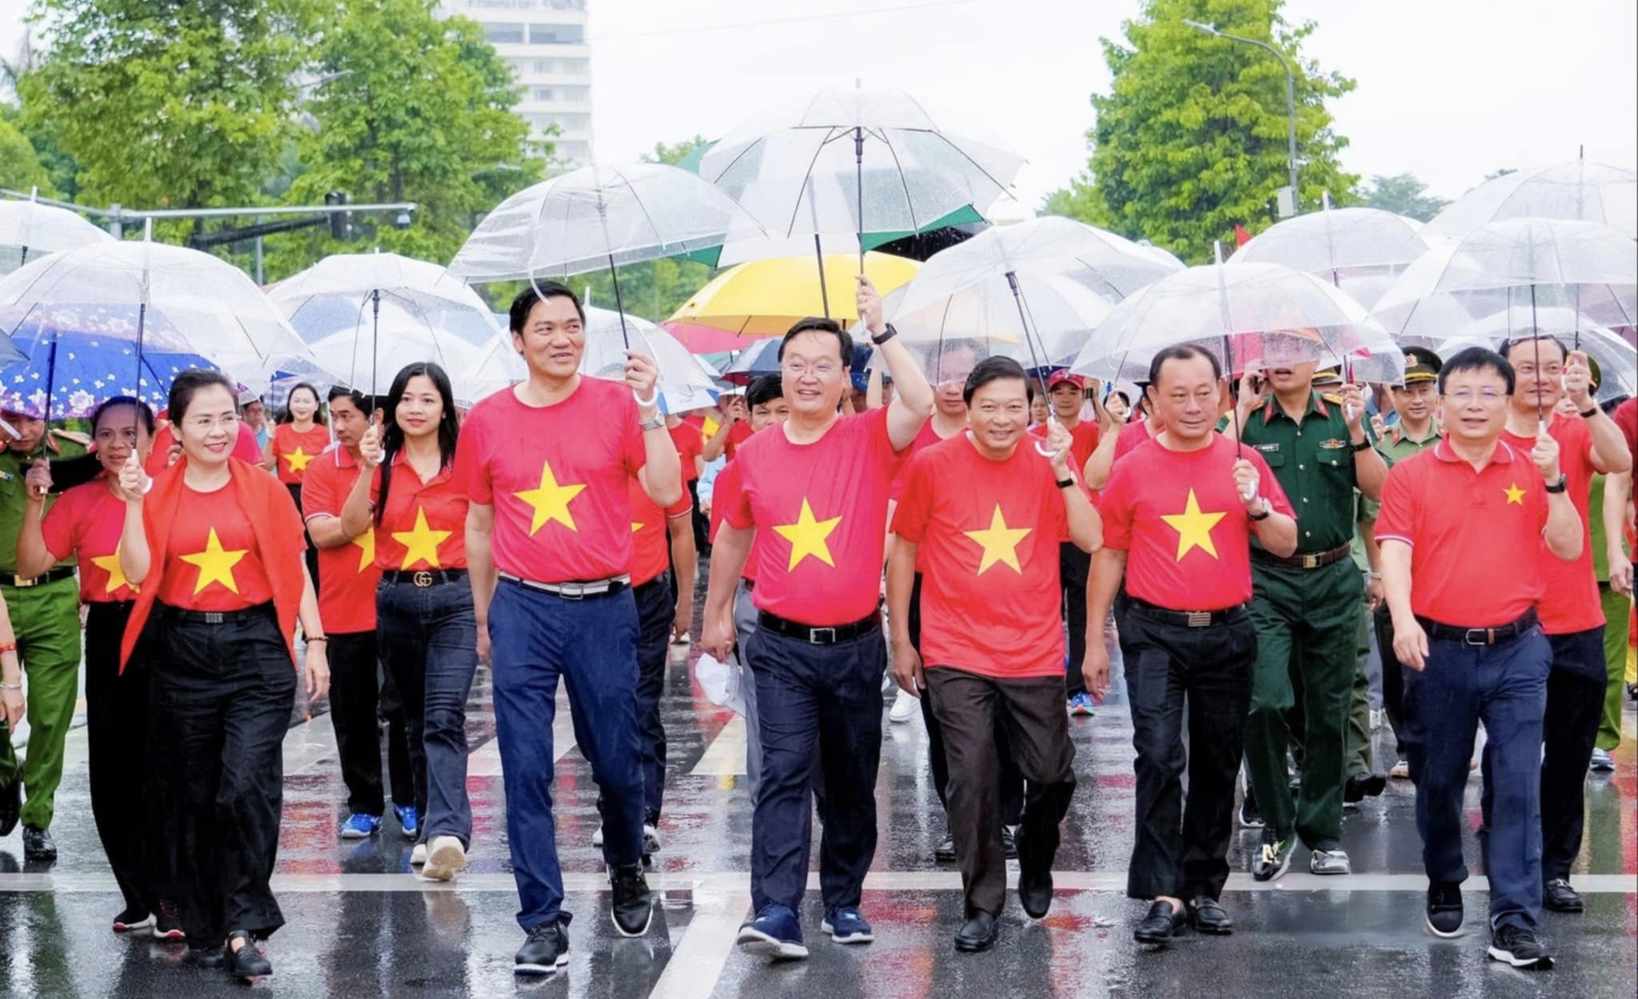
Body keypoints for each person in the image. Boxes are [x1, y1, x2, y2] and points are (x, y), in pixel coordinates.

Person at [699, 277, 933, 961]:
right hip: (779, 647)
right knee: (782, 772)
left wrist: (880, 329)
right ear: (781, 372)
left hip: (855, 646)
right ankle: (775, 910)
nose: (806, 376)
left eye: (822, 365)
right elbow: (733, 537)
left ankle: (843, 900)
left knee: (851, 781)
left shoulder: (869, 438)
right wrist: (716, 613)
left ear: (844, 377)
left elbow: (920, 401)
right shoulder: (752, 454)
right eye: (795, 364)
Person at [457, 282, 681, 976]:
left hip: (605, 606)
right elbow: (479, 525)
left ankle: (625, 863)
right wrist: (484, 614)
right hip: (523, 606)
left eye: (572, 325)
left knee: (616, 759)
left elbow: (668, 491)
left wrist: (651, 409)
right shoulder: (487, 419)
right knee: (524, 768)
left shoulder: (618, 404)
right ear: (518, 341)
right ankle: (541, 919)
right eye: (545, 328)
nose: (562, 338)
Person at [116, 369, 330, 980]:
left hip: (255, 648)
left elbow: (294, 564)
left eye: (227, 417)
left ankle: (244, 926)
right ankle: (207, 923)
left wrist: (315, 642)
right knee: (195, 793)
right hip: (181, 651)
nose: (218, 430)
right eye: (203, 420)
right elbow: (135, 573)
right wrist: (133, 503)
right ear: (177, 428)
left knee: (245, 785)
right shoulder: (155, 491)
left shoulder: (263, 488)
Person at [1084, 344, 1296, 945]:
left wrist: (1256, 505)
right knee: (1156, 754)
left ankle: (1202, 886)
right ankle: (1163, 892)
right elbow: (1110, 553)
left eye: (1205, 393)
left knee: (1216, 760)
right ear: (1153, 398)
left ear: (1223, 394)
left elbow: (1286, 542)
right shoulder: (1133, 468)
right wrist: (1095, 639)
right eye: (1178, 395)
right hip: (1153, 631)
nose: (1194, 406)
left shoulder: (1244, 460)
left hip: (1227, 631)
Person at [887, 356, 1098, 952]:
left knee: (1052, 774)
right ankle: (981, 902)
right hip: (955, 649)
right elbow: (903, 550)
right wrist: (901, 639)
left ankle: (1036, 849)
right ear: (969, 408)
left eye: (1013, 407)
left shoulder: (1049, 460)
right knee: (972, 777)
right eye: (989, 407)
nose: (1001, 419)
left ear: (1030, 409)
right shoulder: (933, 464)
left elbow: (1091, 536)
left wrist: (1063, 472)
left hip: (1033, 650)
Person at [1377, 346, 1578, 970]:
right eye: (1461, 393)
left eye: (1489, 394)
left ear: (1507, 402)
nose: (1474, 405)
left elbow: (1569, 546)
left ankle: (1514, 919)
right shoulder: (1411, 475)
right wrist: (1403, 619)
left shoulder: (1533, 465)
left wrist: (1555, 481)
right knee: (1438, 780)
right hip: (1437, 649)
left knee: (1517, 783)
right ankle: (1444, 872)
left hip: (1518, 649)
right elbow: (1394, 549)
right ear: (1441, 403)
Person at [16, 396, 177, 934]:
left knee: (166, 762)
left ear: (152, 439)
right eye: (105, 434)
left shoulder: (172, 493)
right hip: (108, 632)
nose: (117, 444)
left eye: (130, 433)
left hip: (166, 629)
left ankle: (172, 894)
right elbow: (31, 562)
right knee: (112, 768)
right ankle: (136, 894)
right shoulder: (80, 499)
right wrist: (35, 502)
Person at [1231, 345, 1387, 881]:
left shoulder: (1342, 416)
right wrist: (1239, 413)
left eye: (1295, 348)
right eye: (1272, 347)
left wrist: (1358, 429)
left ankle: (1322, 833)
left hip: (1333, 575)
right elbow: (1211, 468)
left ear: (1315, 358)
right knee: (1265, 700)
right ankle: (1276, 825)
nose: (1281, 359)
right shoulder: (1249, 419)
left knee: (1328, 710)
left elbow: (1380, 487)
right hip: (1265, 579)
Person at [1491, 336, 1630, 915]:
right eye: (1527, 367)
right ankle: (1506, 862)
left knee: (1570, 756)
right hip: (1507, 622)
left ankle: (1555, 869)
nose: (1542, 377)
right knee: (1509, 756)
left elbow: (1620, 461)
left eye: (1552, 367)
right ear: (1505, 374)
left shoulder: (1574, 429)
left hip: (1576, 620)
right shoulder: (1483, 437)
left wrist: (1589, 405)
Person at [886, 343, 1026, 867]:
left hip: (1005, 596)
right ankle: (960, 817)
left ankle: (1006, 815)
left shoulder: (1013, 439)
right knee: (946, 715)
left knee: (1006, 716)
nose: (951, 383)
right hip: (934, 595)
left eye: (963, 374)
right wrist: (898, 631)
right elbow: (899, 536)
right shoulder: (912, 442)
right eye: (942, 373)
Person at [340, 364, 475, 881]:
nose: (416, 409)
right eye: (407, 399)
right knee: (413, 721)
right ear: (392, 407)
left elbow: (487, 528)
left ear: (444, 408)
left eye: (427, 399)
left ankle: (448, 831)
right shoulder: (383, 464)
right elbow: (352, 525)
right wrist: (365, 468)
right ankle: (427, 832)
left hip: (456, 599)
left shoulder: (465, 463)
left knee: (444, 715)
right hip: (396, 600)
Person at [303, 386, 417, 841]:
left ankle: (409, 799)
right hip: (343, 610)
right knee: (352, 713)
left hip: (399, 606)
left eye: (348, 415)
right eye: (333, 415)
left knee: (404, 707)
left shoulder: (404, 463)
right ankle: (364, 803)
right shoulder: (322, 467)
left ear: (377, 417)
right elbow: (322, 534)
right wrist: (361, 517)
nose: (339, 425)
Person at [0, 407, 88, 862]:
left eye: (31, 419)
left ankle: (37, 818)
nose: (21, 428)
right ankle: (4, 774)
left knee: (51, 715)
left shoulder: (74, 455)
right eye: (10, 417)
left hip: (55, 595)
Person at [702, 373, 789, 799]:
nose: (772, 420)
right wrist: (718, 616)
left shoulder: (827, 462)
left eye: (782, 411)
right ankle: (766, 802)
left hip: (817, 603)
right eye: (763, 412)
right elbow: (724, 549)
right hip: (756, 602)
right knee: (761, 709)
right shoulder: (733, 475)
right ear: (749, 419)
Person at [1360, 348, 1442, 780]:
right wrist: (1376, 571)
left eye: (1424, 388)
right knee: (1397, 665)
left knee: (1447, 659)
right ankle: (1408, 743)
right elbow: (1369, 511)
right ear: (1391, 394)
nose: (1416, 398)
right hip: (1398, 567)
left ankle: (1445, 739)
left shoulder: (1455, 440)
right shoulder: (1379, 447)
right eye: (1406, 390)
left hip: (1446, 567)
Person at [612, 440, 695, 852]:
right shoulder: (585, 455)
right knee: (601, 706)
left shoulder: (663, 460)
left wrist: (686, 600)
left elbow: (681, 532)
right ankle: (613, 806)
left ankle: (644, 814)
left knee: (642, 704)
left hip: (648, 597)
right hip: (594, 598)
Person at [1036, 371, 1104, 715]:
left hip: (1081, 535)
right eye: (1058, 392)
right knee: (1047, 614)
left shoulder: (1092, 431)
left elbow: (1112, 439)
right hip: (1045, 536)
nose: (1065, 397)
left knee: (1080, 613)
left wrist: (1096, 399)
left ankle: (1078, 689)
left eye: (1072, 392)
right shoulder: (1036, 436)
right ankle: (1048, 682)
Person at [266, 382, 329, 588]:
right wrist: (270, 438)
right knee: (290, 546)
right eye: (297, 400)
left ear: (316, 405)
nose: (301, 405)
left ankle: (316, 593)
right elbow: (267, 465)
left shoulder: (326, 434)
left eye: (306, 401)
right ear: (289, 404)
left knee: (314, 548)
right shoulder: (279, 431)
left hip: (317, 496)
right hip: (287, 496)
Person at [701, 391, 752, 463]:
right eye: (728, 398)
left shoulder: (765, 425)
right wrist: (727, 424)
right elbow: (707, 456)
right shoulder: (729, 426)